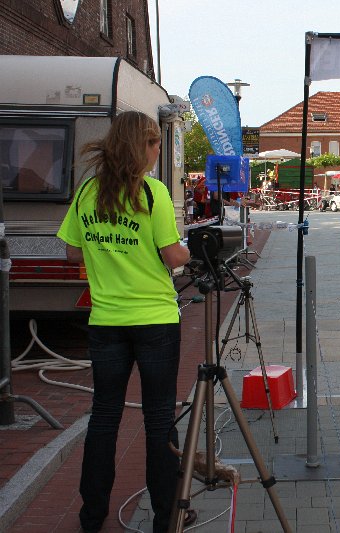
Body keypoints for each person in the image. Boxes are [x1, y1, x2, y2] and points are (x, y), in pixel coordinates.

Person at [56, 111, 192, 533]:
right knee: (159, 420)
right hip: (155, 320)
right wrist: (188, 249)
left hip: (107, 320)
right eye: (154, 144)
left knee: (104, 416)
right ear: (140, 147)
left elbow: (72, 253)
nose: (158, 151)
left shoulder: (87, 192)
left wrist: (107, 253)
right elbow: (173, 255)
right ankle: (166, 517)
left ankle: (92, 515)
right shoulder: (153, 193)